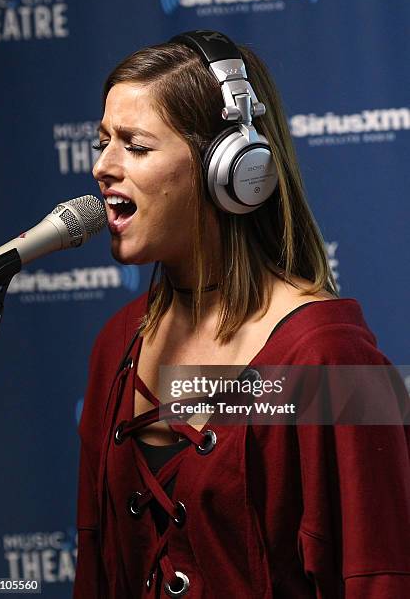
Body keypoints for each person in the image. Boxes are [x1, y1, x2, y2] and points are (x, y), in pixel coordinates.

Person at [73, 30, 410, 598]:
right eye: (102, 141)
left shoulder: (331, 357)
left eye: (135, 146)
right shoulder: (117, 343)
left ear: (233, 170)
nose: (103, 166)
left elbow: (382, 577)